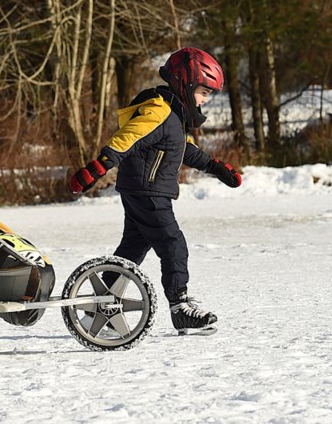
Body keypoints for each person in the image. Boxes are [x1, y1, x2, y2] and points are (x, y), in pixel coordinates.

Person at [68, 47, 242, 335]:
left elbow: (184, 149)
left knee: (131, 250)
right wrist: (98, 167)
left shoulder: (174, 114)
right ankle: (180, 307)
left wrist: (216, 167)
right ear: (184, 83)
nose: (205, 100)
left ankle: (103, 306)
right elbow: (128, 138)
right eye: (203, 92)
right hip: (147, 191)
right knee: (173, 244)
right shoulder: (159, 111)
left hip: (144, 189)